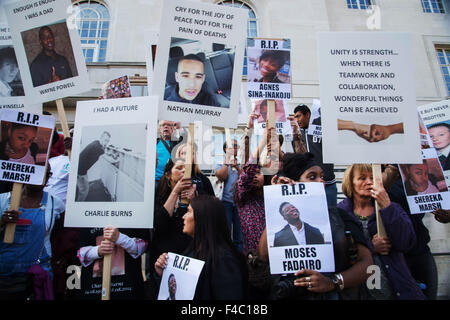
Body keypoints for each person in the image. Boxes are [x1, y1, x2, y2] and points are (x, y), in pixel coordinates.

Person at [259, 152, 373, 300]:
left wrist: (333, 282)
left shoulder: (340, 216)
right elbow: (263, 257)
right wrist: (277, 198)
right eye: (312, 177)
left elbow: (367, 264)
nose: (321, 182)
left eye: (322, 177)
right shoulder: (280, 225)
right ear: (293, 182)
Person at [338, 164, 426, 300]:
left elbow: (407, 242)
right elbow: (339, 255)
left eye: (372, 178)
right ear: (350, 182)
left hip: (394, 288)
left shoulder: (391, 207)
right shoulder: (340, 213)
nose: (369, 182)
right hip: (360, 290)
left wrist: (387, 206)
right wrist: (371, 248)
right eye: (362, 178)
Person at [154, 195, 248, 300]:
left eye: (189, 212)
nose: (183, 216)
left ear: (202, 217)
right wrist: (165, 274)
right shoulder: (192, 250)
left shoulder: (224, 260)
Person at [0, 166, 65, 300]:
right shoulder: (2, 200)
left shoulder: (55, 204)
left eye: (44, 174)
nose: (38, 178)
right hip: (4, 276)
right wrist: (2, 222)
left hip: (36, 277)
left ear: (48, 177)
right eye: (35, 172)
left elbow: (60, 236)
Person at [77, 226, 149, 300]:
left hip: (129, 289)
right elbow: (80, 253)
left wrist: (120, 238)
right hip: (93, 289)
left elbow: (142, 247)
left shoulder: (136, 220)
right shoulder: (87, 222)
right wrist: (98, 251)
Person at [290, 104, 337, 209]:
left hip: (328, 183)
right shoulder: (297, 135)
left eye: (298, 116)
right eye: (295, 117)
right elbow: (298, 157)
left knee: (331, 215)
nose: (297, 120)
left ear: (307, 115)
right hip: (308, 186)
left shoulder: (322, 129)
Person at [215, 139, 243, 252]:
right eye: (231, 146)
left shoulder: (241, 164)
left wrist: (237, 168)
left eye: (236, 146)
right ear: (225, 149)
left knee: (239, 236)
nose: (233, 148)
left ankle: (240, 260)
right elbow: (222, 176)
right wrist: (227, 162)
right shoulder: (219, 163)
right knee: (225, 233)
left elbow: (245, 180)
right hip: (225, 203)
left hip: (239, 203)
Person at [76, 131, 111, 202]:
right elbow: (107, 156)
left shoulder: (96, 142)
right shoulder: (97, 147)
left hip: (80, 168)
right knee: (84, 190)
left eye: (108, 141)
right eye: (105, 140)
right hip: (81, 171)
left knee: (81, 187)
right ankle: (78, 204)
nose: (106, 143)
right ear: (101, 138)